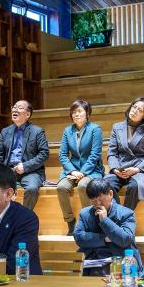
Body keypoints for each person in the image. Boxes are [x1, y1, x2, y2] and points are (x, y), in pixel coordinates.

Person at [73, 178, 144, 287]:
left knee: (105, 272)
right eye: (93, 200)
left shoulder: (126, 213)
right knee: (82, 273)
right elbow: (79, 237)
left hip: (121, 261)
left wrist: (105, 221)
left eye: (100, 198)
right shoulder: (85, 214)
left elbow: (124, 239)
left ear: (110, 194)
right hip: (94, 259)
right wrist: (104, 239)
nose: (97, 203)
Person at [56, 99, 104, 235]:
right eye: (73, 112)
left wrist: (82, 173)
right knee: (61, 187)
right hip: (73, 170)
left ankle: (89, 222)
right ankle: (70, 222)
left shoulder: (95, 129)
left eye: (79, 111)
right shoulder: (67, 131)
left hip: (91, 170)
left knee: (83, 186)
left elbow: (95, 155)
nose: (76, 114)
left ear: (87, 113)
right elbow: (63, 155)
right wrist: (72, 171)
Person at [0, 100, 49, 210]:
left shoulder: (37, 131)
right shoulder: (5, 131)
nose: (15, 109)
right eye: (14, 107)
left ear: (27, 114)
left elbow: (44, 153)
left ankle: (24, 217)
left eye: (20, 108)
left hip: (31, 172)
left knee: (32, 188)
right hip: (9, 171)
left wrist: (25, 166)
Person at [103, 97, 144, 210]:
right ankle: (117, 213)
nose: (135, 111)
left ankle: (125, 215)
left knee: (134, 186)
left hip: (139, 170)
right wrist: (115, 169)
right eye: (134, 107)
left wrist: (136, 169)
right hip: (120, 168)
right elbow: (112, 152)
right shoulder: (117, 127)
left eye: (140, 110)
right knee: (106, 184)